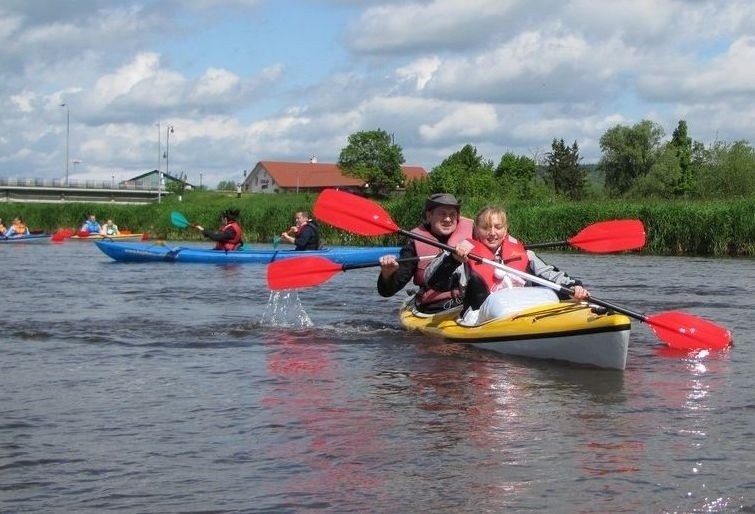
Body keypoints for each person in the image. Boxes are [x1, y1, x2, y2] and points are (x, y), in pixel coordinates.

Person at [425, 205, 590, 326]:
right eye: (485, 227)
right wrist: (453, 259)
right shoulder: (463, 254)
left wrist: (575, 287)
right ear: (476, 230)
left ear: (505, 229)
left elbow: (551, 275)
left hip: (524, 312)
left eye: (498, 227)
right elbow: (434, 282)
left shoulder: (524, 255)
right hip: (481, 319)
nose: (492, 233)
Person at [377, 193, 474, 314]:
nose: (448, 219)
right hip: (434, 307)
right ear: (429, 216)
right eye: (442, 213)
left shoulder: (473, 236)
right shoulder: (414, 246)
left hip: (469, 302)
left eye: (452, 215)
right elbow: (387, 292)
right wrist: (387, 274)